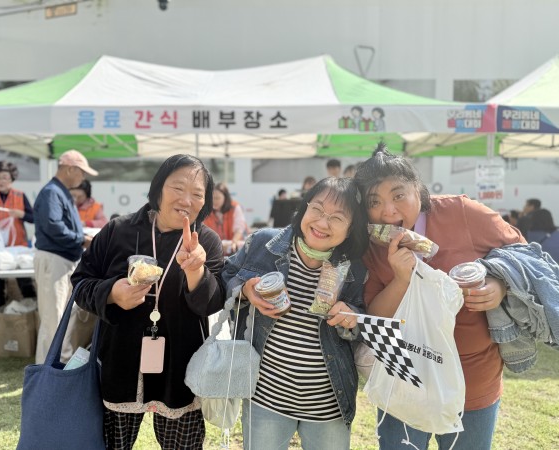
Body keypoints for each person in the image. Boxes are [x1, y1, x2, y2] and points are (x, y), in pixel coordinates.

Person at [354, 143, 525, 450]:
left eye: (398, 195)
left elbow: (524, 258)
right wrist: (401, 280)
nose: (388, 211)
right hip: (404, 378)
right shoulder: (371, 242)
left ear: (417, 190)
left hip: (473, 380)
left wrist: (500, 286)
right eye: (374, 202)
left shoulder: (462, 212)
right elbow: (374, 317)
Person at [71, 154, 226, 450]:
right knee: (112, 445)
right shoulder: (119, 230)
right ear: (158, 189)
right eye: (177, 188)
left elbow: (211, 304)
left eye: (197, 194)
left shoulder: (205, 241)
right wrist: (112, 293)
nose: (186, 200)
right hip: (120, 362)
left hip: (180, 368)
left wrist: (195, 270)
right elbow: (81, 283)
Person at [222, 176, 369, 450]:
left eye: (337, 218)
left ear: (350, 229)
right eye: (317, 209)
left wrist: (351, 315)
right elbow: (226, 273)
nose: (323, 223)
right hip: (265, 397)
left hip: (328, 405)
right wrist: (245, 290)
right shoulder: (265, 245)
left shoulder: (354, 269)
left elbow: (363, 320)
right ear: (305, 208)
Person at [33, 149, 98, 364]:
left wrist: (81, 237)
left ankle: (53, 367)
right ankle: (48, 370)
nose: (83, 178)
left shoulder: (58, 191)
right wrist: (81, 239)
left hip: (62, 260)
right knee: (54, 319)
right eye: (82, 172)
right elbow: (54, 227)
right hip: (55, 260)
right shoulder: (52, 192)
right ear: (70, 169)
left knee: (60, 318)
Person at [0, 160, 37, 336]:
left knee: (25, 283)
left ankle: (32, 318)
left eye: (4, 177)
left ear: (12, 179)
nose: (1, 181)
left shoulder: (20, 196)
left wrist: (22, 215)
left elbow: (34, 218)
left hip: (17, 249)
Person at [204, 182, 248, 254]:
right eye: (212, 198)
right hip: (215, 249)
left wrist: (234, 242)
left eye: (217, 198)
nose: (214, 201)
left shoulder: (235, 207)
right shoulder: (206, 211)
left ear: (225, 197)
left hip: (234, 249)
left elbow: (239, 229)